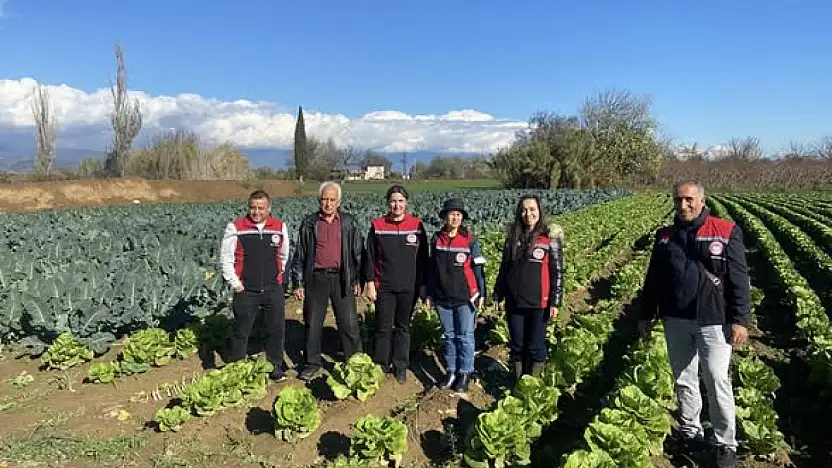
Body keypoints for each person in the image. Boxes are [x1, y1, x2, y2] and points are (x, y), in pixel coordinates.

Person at [639, 181, 750, 468]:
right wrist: (646, 313)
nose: (683, 205)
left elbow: (739, 278)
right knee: (684, 378)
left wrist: (740, 319)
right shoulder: (665, 236)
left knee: (716, 378)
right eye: (678, 200)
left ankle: (726, 443)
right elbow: (654, 279)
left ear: (702, 200)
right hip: (675, 318)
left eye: (689, 199)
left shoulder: (725, 231)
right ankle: (691, 432)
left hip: (714, 320)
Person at [291, 181, 364, 381]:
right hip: (317, 278)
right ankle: (312, 363)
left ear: (338, 201)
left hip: (342, 278)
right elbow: (300, 254)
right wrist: (298, 283)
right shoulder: (309, 223)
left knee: (349, 323)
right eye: (324, 199)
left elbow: (358, 253)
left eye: (332, 199)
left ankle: (355, 362)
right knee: (313, 323)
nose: (328, 203)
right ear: (319, 200)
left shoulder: (349, 222)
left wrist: (357, 279)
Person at [219, 190, 289, 381]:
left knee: (276, 329)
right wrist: (236, 283)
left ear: (269, 209)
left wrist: (279, 277)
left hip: (272, 288)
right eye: (253, 207)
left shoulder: (279, 227)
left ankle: (275, 366)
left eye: (261, 208)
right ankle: (237, 369)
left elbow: (284, 255)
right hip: (246, 289)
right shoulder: (236, 227)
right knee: (241, 330)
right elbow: (226, 258)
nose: (256, 212)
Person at [493, 195, 564, 381]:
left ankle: (532, 384)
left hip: (539, 303)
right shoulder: (513, 237)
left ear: (539, 211)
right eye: (524, 210)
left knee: (535, 346)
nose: (528, 214)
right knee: (517, 345)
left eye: (532, 209)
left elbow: (557, 272)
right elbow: (504, 268)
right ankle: (518, 382)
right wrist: (498, 293)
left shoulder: (550, 238)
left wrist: (555, 302)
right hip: (514, 301)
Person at [363, 185, 429, 383]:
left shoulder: (417, 226)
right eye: (393, 201)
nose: (397, 205)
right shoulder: (378, 226)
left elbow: (423, 259)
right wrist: (370, 283)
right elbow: (370, 257)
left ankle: (400, 366)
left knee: (403, 327)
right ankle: (381, 365)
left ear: (406, 202)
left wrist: (423, 286)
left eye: (400, 201)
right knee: (383, 327)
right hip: (385, 286)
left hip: (409, 287)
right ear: (387, 203)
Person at [426, 198, 486, 392]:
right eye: (451, 214)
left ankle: (465, 372)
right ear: (444, 217)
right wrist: (429, 293)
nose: (455, 217)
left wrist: (482, 292)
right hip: (442, 297)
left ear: (462, 218)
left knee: (465, 336)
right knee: (449, 336)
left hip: (465, 297)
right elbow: (432, 269)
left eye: (458, 214)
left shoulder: (469, 239)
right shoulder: (436, 239)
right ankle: (451, 371)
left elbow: (478, 268)